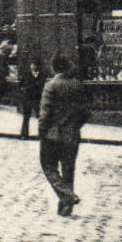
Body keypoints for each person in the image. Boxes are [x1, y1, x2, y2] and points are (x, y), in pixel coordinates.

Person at [38, 55, 89, 217]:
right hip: (72, 135)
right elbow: (86, 112)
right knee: (68, 169)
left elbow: (44, 113)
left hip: (52, 136)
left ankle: (67, 196)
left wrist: (42, 131)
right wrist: (75, 126)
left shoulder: (50, 86)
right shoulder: (78, 86)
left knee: (48, 166)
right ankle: (66, 207)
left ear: (54, 68)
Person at [18, 55, 48, 140]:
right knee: (26, 117)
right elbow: (20, 86)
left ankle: (41, 135)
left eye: (35, 65)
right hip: (27, 98)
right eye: (32, 65)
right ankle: (24, 134)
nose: (33, 67)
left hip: (38, 99)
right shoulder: (26, 74)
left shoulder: (43, 75)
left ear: (39, 66)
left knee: (40, 117)